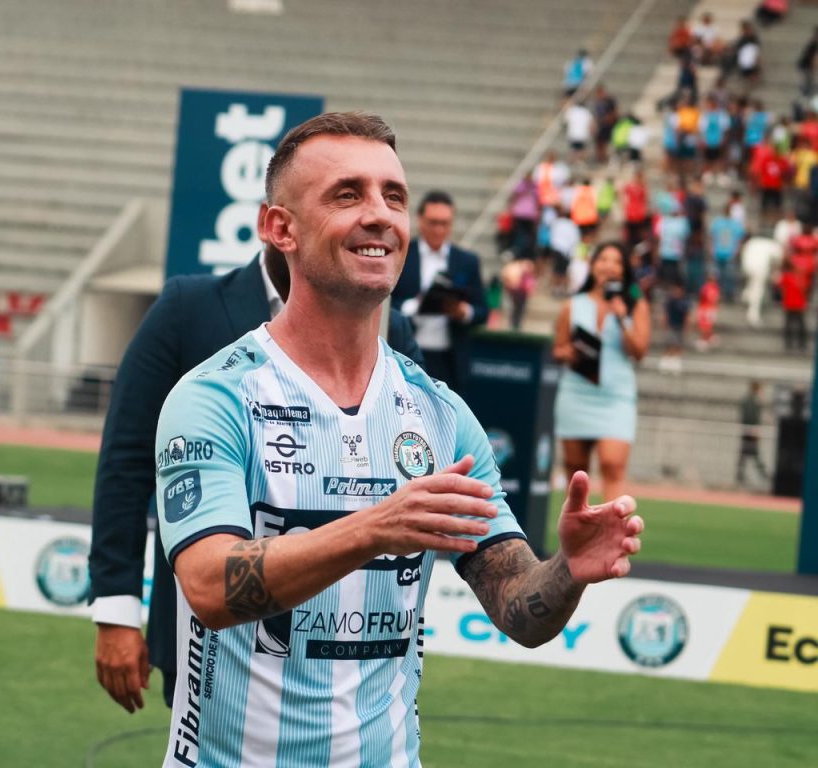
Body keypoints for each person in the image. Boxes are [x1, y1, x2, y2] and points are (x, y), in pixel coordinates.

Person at [153, 111, 644, 767]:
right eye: (347, 194)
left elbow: (518, 610)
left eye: (394, 196)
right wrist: (375, 528)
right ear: (280, 228)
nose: (380, 215)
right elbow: (210, 588)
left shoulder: (440, 414)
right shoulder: (215, 397)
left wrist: (566, 570)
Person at [89, 230, 425, 714]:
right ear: (277, 223)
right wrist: (117, 608)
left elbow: (417, 453)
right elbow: (127, 459)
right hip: (212, 637)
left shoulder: (388, 326)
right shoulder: (189, 308)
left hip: (352, 641)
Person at [553, 241, 651, 502]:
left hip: (616, 397)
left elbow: (639, 351)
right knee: (576, 471)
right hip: (576, 393)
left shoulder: (635, 305)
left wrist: (622, 318)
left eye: (617, 261)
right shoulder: (572, 304)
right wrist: (568, 352)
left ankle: (612, 525)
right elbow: (558, 349)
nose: (609, 266)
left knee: (612, 464)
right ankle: (577, 526)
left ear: (624, 270)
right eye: (603, 259)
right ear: (593, 265)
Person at [392, 189, 488, 391]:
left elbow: (482, 311)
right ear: (420, 220)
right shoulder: (401, 255)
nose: (438, 230)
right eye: (433, 223)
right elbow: (385, 304)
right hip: (406, 355)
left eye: (445, 223)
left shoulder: (467, 261)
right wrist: (414, 306)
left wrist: (464, 312)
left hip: (451, 360)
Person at [740, 232, 784, 326]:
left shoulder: (752, 241)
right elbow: (779, 258)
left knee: (752, 283)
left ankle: (747, 295)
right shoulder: (772, 244)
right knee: (758, 290)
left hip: (747, 266)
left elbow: (743, 252)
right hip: (760, 268)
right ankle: (753, 315)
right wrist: (776, 271)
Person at [737, 380, 769, 484]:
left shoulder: (749, 400)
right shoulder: (752, 401)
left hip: (748, 431)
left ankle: (741, 475)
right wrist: (754, 430)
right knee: (752, 453)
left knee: (746, 453)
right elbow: (751, 417)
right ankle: (762, 474)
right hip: (750, 431)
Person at [660, 279, 690, 374]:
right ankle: (666, 362)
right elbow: (666, 314)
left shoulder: (684, 302)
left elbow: (686, 315)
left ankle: (676, 363)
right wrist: (665, 323)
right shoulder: (670, 301)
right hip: (671, 326)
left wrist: (686, 326)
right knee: (669, 343)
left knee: (678, 345)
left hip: (679, 326)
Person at [799, 28, 818, 98]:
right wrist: (813, 66)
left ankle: (806, 92)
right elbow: (813, 57)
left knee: (808, 80)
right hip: (806, 64)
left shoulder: (813, 43)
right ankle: (805, 94)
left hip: (806, 64)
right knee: (807, 80)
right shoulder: (814, 44)